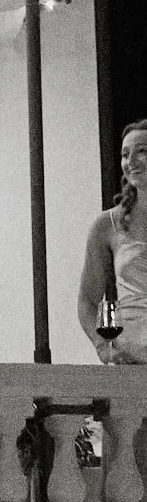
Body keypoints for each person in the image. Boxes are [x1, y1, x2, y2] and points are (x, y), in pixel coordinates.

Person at [79, 117, 147, 364]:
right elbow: (87, 300)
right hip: (131, 359)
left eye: (142, 151)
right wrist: (103, 347)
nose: (131, 162)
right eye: (125, 155)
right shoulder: (107, 224)